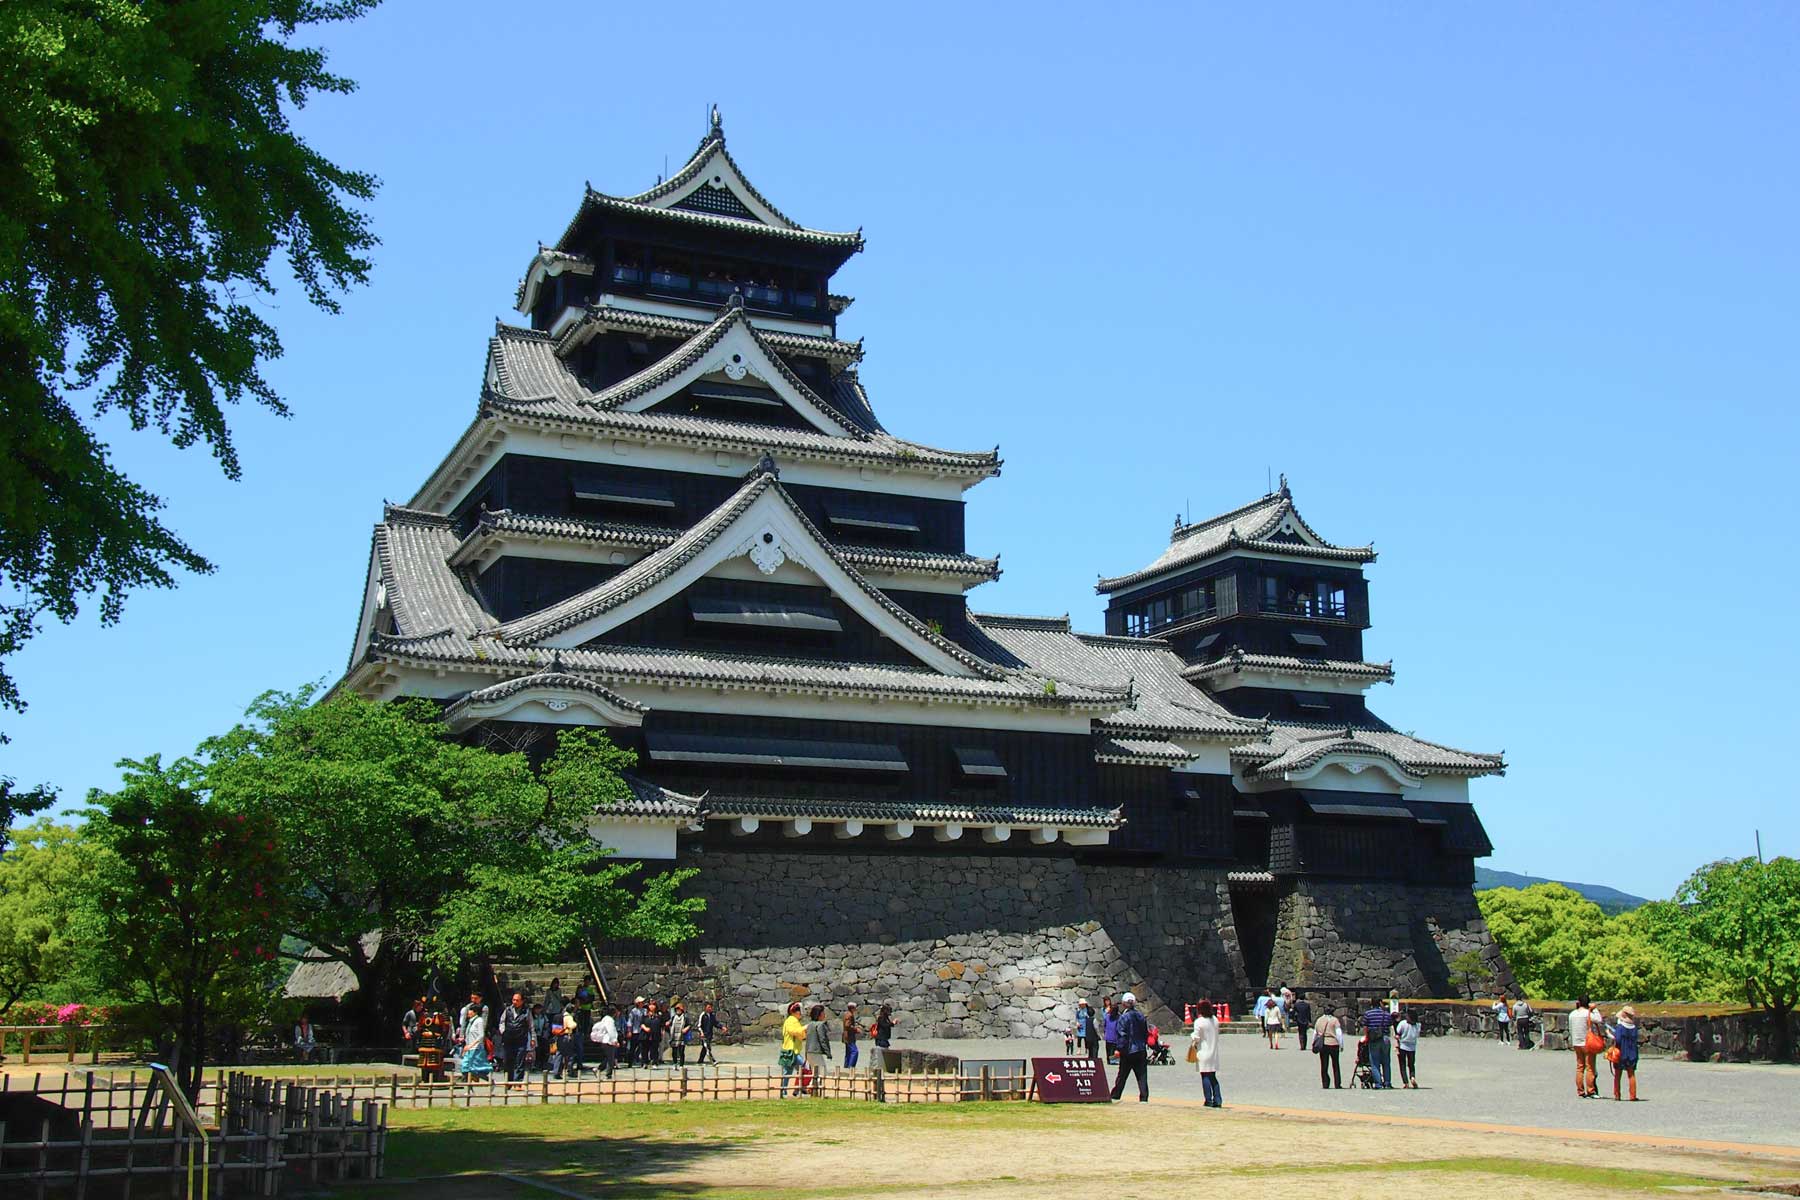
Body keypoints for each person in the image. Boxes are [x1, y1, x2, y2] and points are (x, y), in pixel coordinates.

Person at [1108, 992, 1150, 1102]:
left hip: (1128, 1051)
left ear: (1123, 1003)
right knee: (1142, 1075)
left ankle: (1115, 1095)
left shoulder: (1124, 1017)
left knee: (1122, 1075)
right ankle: (1144, 1097)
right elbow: (1146, 1032)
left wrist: (1118, 1049)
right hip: (1140, 1049)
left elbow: (1122, 1035)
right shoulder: (1141, 1016)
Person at [1190, 998, 1222, 1107]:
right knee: (1213, 1076)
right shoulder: (1215, 1020)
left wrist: (1192, 1037)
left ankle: (1208, 1100)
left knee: (1205, 1076)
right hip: (1213, 1051)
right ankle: (1218, 1099)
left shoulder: (1199, 1022)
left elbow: (1197, 1037)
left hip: (1203, 1051)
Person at [1607, 1005, 1641, 1101]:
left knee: (1618, 1074)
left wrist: (1610, 1035)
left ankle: (1617, 1095)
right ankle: (1632, 1095)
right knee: (1631, 1075)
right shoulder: (1634, 1027)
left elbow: (1617, 1039)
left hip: (1621, 1052)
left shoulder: (1620, 1027)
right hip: (1632, 1052)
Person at [498, 992, 533, 1083]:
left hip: (521, 1039)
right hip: (508, 1039)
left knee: (520, 1061)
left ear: (522, 1001)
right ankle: (508, 1081)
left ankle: (517, 1082)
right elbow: (502, 1022)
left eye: (517, 1000)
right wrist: (503, 1031)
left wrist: (533, 1038)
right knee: (507, 1061)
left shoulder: (526, 1012)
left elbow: (531, 1026)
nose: (514, 1002)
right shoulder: (507, 1010)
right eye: (513, 1000)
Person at [1569, 996, 1598, 1098]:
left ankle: (1580, 1091)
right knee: (1590, 1067)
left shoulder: (1572, 1014)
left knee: (1580, 1067)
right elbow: (1599, 1019)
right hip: (1587, 1043)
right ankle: (1591, 1090)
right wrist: (1594, 1009)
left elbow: (1570, 1028)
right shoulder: (1588, 1013)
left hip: (1576, 1042)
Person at [1361, 999, 1392, 1089]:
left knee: (1375, 1062)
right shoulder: (1386, 1014)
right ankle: (1387, 1083)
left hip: (1374, 1039)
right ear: (1380, 1003)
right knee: (1386, 1062)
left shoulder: (1368, 1014)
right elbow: (1390, 1024)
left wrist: (1367, 1037)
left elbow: (1365, 1026)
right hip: (1385, 1038)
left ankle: (1378, 1084)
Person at [803, 1004, 833, 1095]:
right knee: (823, 1071)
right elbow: (822, 1039)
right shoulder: (820, 1025)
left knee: (815, 1072)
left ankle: (813, 1088)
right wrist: (828, 1052)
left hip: (808, 1051)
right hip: (815, 1051)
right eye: (823, 1012)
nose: (824, 1014)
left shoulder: (810, 1025)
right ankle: (811, 1087)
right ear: (819, 1014)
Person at [780, 1002, 806, 1097]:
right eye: (799, 1011)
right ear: (794, 1012)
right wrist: (805, 1028)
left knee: (799, 1070)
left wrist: (802, 1031)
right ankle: (785, 1090)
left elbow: (801, 1035)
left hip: (794, 1051)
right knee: (802, 1068)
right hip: (790, 1051)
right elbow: (794, 1031)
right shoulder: (791, 1020)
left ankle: (797, 1088)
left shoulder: (795, 1021)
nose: (801, 1013)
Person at [1314, 1007, 1344, 1089]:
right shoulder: (1335, 1020)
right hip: (1333, 1043)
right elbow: (1339, 1034)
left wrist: (1314, 1042)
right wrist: (1341, 1045)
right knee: (1335, 1064)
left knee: (1324, 1064)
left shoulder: (1319, 1020)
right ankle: (1337, 1083)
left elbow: (1315, 1033)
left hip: (1323, 1044)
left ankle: (1325, 1083)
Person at [458, 1006, 491, 1079]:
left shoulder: (479, 1020)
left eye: (470, 1011)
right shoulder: (470, 1022)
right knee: (465, 1067)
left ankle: (488, 1080)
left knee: (475, 1069)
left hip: (476, 1048)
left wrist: (471, 1045)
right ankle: (468, 1085)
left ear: (475, 1012)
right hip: (469, 1048)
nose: (468, 1012)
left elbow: (481, 1035)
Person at [591, 1005, 619, 1077]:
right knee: (610, 1059)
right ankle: (608, 1074)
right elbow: (611, 1030)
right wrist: (614, 1040)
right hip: (608, 1040)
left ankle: (598, 1069)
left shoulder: (605, 1019)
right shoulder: (610, 1020)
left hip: (605, 1040)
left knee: (608, 1057)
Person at [1394, 1010, 1420, 1088]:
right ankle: (1412, 1077)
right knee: (1411, 1064)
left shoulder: (1403, 1023)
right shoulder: (1418, 1025)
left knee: (1402, 1065)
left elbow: (1398, 1033)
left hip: (1403, 1046)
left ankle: (1405, 1082)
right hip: (1412, 1047)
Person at [625, 997, 647, 1068]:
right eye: (641, 1002)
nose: (642, 1003)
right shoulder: (633, 1011)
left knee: (643, 1047)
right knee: (632, 1048)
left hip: (642, 1031)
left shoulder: (645, 1010)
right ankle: (630, 1062)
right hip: (635, 1031)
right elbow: (630, 1021)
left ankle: (643, 1062)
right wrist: (629, 1031)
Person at [668, 1003, 689, 1067]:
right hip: (674, 1036)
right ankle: (675, 1063)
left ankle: (681, 1064)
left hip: (682, 1036)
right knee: (674, 1051)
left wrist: (686, 1028)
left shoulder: (685, 1017)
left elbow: (689, 1025)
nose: (678, 1010)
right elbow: (670, 1023)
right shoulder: (674, 1017)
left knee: (681, 1051)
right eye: (677, 1009)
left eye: (679, 1009)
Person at [530, 1003, 549, 1071]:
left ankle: (542, 1064)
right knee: (536, 1050)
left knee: (543, 1050)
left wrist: (545, 1027)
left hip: (542, 1035)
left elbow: (547, 1023)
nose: (538, 1010)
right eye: (537, 1009)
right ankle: (535, 1064)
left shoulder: (543, 1016)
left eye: (539, 1009)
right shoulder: (531, 1016)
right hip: (534, 1035)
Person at [842, 1003, 861, 1069]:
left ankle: (846, 1067)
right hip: (849, 1037)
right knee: (854, 1051)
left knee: (848, 1053)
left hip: (846, 1036)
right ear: (852, 1008)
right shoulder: (849, 1015)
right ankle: (851, 1067)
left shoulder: (847, 1014)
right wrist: (856, 1029)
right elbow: (847, 1025)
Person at [1103, 998, 1121, 1063]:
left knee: (1108, 1049)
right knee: (1113, 1049)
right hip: (1114, 1036)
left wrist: (1105, 1032)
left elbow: (1104, 1025)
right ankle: (1113, 1061)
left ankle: (1109, 1060)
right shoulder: (1118, 1017)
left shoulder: (1107, 1016)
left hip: (1108, 1035)